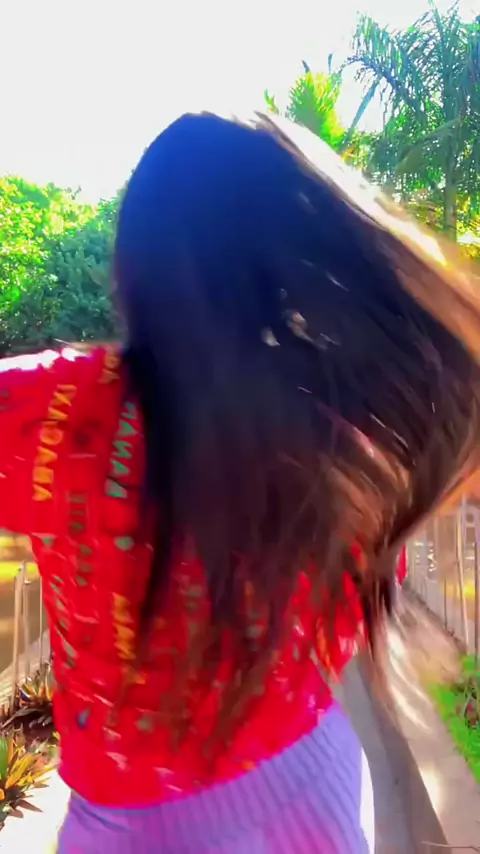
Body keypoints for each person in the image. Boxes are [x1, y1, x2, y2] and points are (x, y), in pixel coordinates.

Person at [1, 112, 480, 854]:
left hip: (136, 826)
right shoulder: (328, 414)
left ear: (135, 259)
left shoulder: (51, 411)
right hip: (310, 781)